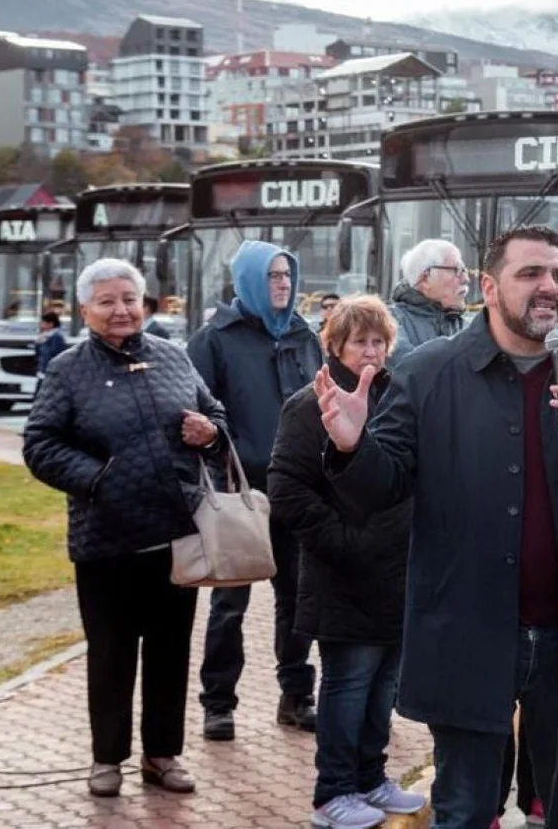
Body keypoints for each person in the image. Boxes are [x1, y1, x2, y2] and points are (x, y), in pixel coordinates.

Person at [315, 225, 558, 828]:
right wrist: (350, 448)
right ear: (488, 286)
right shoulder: (427, 373)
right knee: (466, 811)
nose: (548, 286)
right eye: (530, 274)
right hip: (468, 636)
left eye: (557, 274)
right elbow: (380, 488)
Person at [22, 258, 228, 798]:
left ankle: (163, 756)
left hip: (173, 537)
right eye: (108, 301)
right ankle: (107, 759)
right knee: (111, 654)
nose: (122, 310)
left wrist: (209, 432)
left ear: (145, 303)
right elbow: (39, 445)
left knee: (169, 652)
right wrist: (97, 478)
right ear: (86, 309)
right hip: (106, 542)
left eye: (130, 299)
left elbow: (217, 417)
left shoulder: (173, 357)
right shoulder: (68, 370)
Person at [270, 294, 427, 829]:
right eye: (360, 340)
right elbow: (287, 488)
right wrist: (343, 540)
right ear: (334, 344)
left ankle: (370, 778)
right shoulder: (307, 405)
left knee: (383, 684)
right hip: (343, 574)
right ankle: (333, 791)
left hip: (397, 571)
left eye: (379, 340)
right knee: (348, 683)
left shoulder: (397, 396)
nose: (372, 350)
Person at [191, 240, 324, 741]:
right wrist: (220, 461)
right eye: (271, 276)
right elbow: (195, 414)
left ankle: (296, 696)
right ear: (248, 280)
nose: (283, 284)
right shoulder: (214, 339)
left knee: (297, 599)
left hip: (297, 489)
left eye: (287, 275)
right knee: (231, 603)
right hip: (239, 491)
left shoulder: (303, 335)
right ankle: (218, 704)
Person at [388, 238, 467, 363]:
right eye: (456, 270)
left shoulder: (469, 326)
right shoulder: (389, 322)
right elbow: (408, 371)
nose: (465, 279)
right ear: (425, 278)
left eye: (464, 270)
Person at [34, 310, 69, 390]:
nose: (41, 325)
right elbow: (38, 353)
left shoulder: (56, 337)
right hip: (43, 373)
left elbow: (54, 353)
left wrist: (43, 343)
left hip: (50, 374)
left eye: (43, 322)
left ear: (51, 324)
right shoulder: (45, 335)